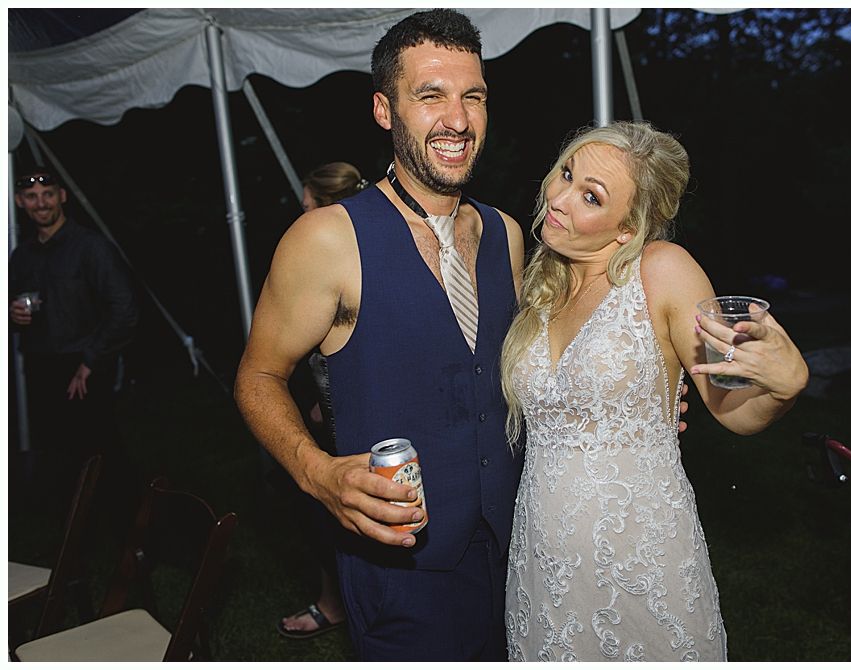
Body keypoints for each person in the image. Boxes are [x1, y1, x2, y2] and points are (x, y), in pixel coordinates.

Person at [235, 10, 525, 660]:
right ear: (384, 110)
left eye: (471, 96)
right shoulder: (327, 238)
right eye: (430, 96)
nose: (457, 118)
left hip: (516, 553)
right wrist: (317, 473)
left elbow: (508, 377)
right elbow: (257, 375)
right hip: (403, 573)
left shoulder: (506, 233)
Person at [501, 121, 809, 661]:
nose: (560, 198)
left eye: (591, 196)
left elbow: (732, 410)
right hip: (542, 550)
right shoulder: (542, 282)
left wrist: (784, 388)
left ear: (627, 228)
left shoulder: (662, 271)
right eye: (566, 175)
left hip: (640, 551)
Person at [9, 166, 138, 501]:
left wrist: (90, 361)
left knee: (103, 454)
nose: (41, 203)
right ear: (20, 202)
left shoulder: (91, 247)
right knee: (61, 457)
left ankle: (135, 536)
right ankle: (76, 536)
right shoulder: (21, 256)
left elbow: (124, 309)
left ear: (61, 197)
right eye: (32, 197)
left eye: (48, 195)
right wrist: (12, 314)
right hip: (41, 367)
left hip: (84, 368)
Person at [276, 161, 367, 639]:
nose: (302, 211)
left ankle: (338, 605)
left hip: (354, 424)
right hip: (329, 414)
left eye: (308, 204)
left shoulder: (341, 255)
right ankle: (341, 602)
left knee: (331, 517)